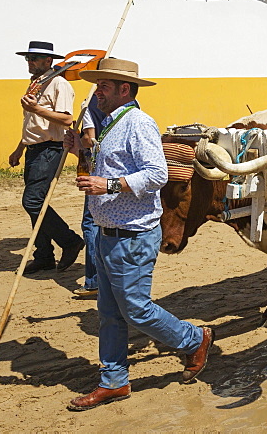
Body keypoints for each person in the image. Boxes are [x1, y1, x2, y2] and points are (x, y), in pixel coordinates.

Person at [64, 58, 213, 411]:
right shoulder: (108, 124)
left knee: (137, 311)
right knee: (109, 313)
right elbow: (109, 162)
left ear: (124, 89)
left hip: (132, 235)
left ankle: (194, 338)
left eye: (103, 86)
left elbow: (158, 174)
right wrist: (79, 149)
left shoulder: (139, 123)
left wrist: (109, 185)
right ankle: (114, 381)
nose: (96, 92)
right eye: (97, 85)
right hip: (105, 233)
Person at [9, 41, 83, 275]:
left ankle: (70, 241)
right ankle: (43, 255)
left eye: (35, 58)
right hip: (34, 149)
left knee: (32, 201)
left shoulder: (59, 83)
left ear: (48, 60)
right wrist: (20, 148)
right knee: (36, 205)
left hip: (50, 149)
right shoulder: (36, 83)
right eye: (28, 58)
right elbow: (33, 122)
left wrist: (37, 110)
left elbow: (66, 119)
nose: (30, 62)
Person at [72, 94, 107, 298]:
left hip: (98, 170)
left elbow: (90, 140)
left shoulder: (90, 103)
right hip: (118, 171)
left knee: (91, 223)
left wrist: (77, 140)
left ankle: (94, 280)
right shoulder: (132, 103)